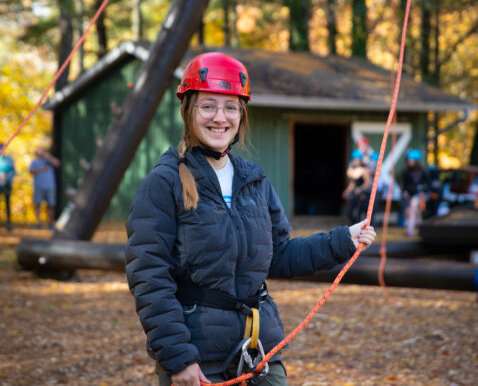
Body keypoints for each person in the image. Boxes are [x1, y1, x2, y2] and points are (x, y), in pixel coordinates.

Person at [125, 52, 376, 386]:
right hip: (198, 354)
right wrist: (178, 357)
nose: (220, 117)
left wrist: (342, 240)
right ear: (188, 111)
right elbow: (149, 276)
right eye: (208, 105)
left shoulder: (253, 180)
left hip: (259, 348)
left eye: (231, 107)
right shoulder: (164, 181)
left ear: (241, 115)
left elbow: (280, 255)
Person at [29, 147, 61, 231]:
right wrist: (41, 169)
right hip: (38, 186)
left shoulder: (49, 161)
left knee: (50, 205)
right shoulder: (34, 162)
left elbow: (57, 163)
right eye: (39, 151)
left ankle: (51, 223)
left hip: (50, 186)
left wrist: (48, 156)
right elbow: (30, 171)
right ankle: (38, 223)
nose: (41, 153)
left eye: (42, 151)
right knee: (37, 205)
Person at [401, 149, 429, 237]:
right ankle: (421, 230)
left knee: (413, 210)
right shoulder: (407, 171)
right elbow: (405, 184)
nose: (409, 162)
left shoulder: (422, 171)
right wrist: (405, 191)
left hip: (419, 194)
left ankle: (410, 230)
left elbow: (428, 184)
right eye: (408, 160)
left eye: (411, 160)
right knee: (415, 213)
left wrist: (423, 192)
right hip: (411, 194)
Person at [342, 149, 371, 224]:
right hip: (354, 194)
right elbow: (353, 183)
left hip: (362, 194)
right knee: (350, 212)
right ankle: (353, 227)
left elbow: (367, 183)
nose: (355, 161)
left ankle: (359, 228)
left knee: (359, 213)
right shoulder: (353, 169)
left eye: (357, 160)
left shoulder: (364, 169)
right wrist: (347, 190)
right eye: (354, 160)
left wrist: (360, 189)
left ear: (360, 160)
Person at [0, 143, 16, 230]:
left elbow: (13, 171)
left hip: (7, 184)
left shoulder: (8, 159)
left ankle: (8, 223)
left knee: (7, 203)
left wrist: (6, 179)